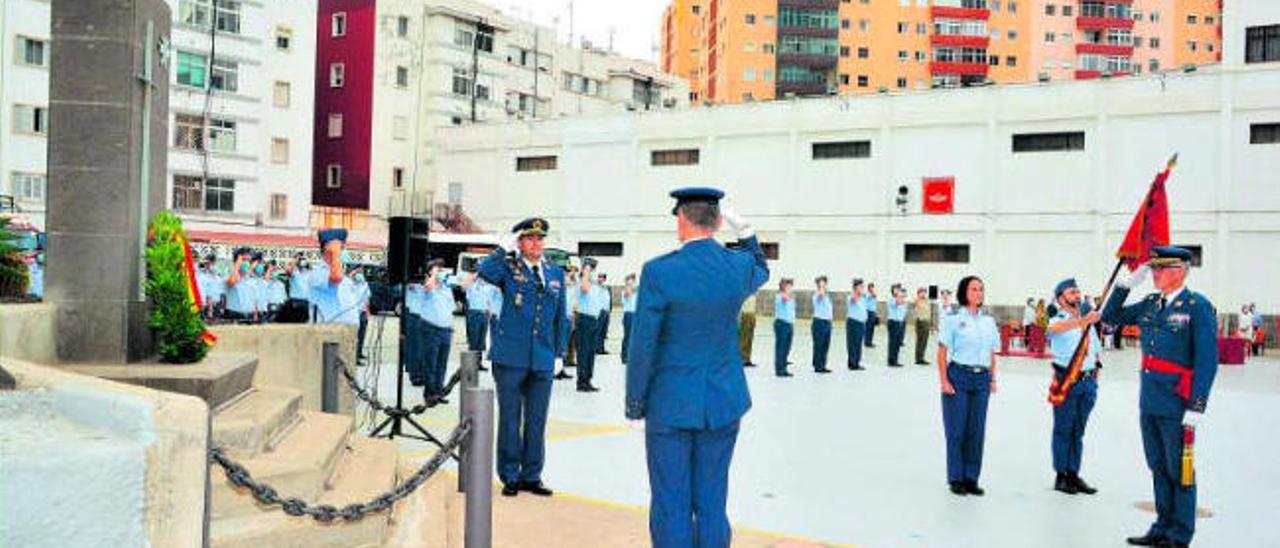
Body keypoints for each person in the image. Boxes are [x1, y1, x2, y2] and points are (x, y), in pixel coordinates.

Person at [625, 187, 768, 548]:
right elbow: (762, 268)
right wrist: (747, 232)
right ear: (719, 222)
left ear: (681, 220)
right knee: (712, 500)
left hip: (670, 405)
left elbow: (643, 344)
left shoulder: (659, 272)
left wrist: (635, 403)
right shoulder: (737, 266)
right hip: (722, 402)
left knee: (672, 502)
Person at [1103, 247, 1218, 548]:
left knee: (1180, 468)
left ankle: (1181, 533)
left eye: (1159, 269)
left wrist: (1197, 404)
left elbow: (1207, 360)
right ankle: (1163, 526)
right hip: (1151, 398)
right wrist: (1125, 286)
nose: (1153, 274)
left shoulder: (1197, 306)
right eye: (1152, 269)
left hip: (1178, 402)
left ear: (1178, 271)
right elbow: (1110, 317)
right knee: (1157, 465)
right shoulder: (1152, 303)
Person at [478, 217, 568, 498]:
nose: (536, 243)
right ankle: (510, 475)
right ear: (520, 242)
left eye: (540, 238)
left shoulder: (555, 273)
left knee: (537, 420)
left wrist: (559, 353)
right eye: (529, 238)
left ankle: (532, 475)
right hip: (511, 357)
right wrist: (502, 248)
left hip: (542, 357)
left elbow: (560, 317)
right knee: (509, 418)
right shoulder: (508, 268)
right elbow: (485, 271)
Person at [937, 275, 1001, 496]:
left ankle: (971, 478)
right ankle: (956, 478)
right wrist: (944, 380)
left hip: (981, 379)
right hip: (959, 376)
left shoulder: (988, 321)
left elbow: (992, 352)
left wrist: (993, 378)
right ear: (964, 292)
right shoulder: (953, 319)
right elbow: (942, 351)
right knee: (956, 430)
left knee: (976, 431)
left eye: (981, 289)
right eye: (974, 289)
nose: (978, 293)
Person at [1046, 278, 1102, 495]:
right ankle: (1061, 476)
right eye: (1071, 292)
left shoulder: (1087, 321)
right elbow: (1053, 330)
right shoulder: (1057, 320)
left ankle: (1073, 473)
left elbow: (1095, 350)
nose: (1077, 296)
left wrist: (1096, 376)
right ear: (1061, 299)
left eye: (1078, 292)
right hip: (1067, 382)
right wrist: (1083, 321)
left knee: (1078, 431)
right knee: (1063, 429)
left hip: (1087, 383)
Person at [413, 259, 458, 401]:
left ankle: (439, 392)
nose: (440, 271)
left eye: (441, 269)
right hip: (430, 328)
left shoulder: (446, 288)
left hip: (446, 329)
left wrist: (450, 325)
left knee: (442, 363)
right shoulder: (425, 285)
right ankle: (429, 393)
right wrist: (433, 275)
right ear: (430, 271)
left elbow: (451, 308)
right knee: (430, 362)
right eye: (437, 268)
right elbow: (428, 287)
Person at [309, 230, 363, 327]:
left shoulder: (345, 278)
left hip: (347, 332)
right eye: (341, 248)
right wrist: (335, 251)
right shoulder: (317, 272)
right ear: (327, 250)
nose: (343, 251)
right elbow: (336, 278)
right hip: (327, 332)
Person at [574, 258, 606, 392]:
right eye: (589, 268)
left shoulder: (592, 282)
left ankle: (587, 379)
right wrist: (586, 269)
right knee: (584, 351)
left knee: (591, 351)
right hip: (584, 319)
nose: (591, 270)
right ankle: (581, 381)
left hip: (593, 319)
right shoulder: (583, 281)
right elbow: (585, 288)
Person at [224, 248, 258, 323]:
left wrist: (255, 313)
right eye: (244, 260)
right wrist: (237, 265)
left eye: (248, 260)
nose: (247, 263)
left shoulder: (250, 279)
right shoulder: (230, 274)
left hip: (249, 314)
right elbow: (231, 282)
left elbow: (254, 297)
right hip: (234, 314)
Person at [463, 272, 491, 358]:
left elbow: (489, 301)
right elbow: (463, 287)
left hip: (484, 314)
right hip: (474, 314)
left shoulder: (488, 287)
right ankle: (472, 364)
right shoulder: (472, 286)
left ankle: (479, 363)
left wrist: (489, 312)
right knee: (474, 340)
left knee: (481, 341)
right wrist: (473, 276)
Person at [810, 275, 834, 374]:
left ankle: (823, 364)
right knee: (819, 345)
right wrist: (821, 287)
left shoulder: (827, 296)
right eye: (822, 283)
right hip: (819, 322)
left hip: (827, 322)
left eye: (825, 283)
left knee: (825, 345)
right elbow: (821, 295)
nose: (824, 285)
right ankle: (818, 366)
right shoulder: (816, 294)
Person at [773, 278, 796, 378]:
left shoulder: (791, 298)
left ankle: (784, 367)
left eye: (791, 286)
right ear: (783, 287)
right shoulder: (779, 296)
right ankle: (779, 370)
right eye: (788, 286)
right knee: (781, 348)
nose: (790, 288)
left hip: (789, 324)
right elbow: (784, 299)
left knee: (787, 347)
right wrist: (786, 291)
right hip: (781, 324)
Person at [846, 279, 867, 370]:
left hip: (861, 323)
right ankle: (852, 363)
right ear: (855, 287)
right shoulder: (851, 296)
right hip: (853, 322)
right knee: (852, 343)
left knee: (858, 343)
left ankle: (857, 362)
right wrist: (855, 291)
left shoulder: (863, 298)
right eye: (860, 286)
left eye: (862, 287)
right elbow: (853, 299)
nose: (862, 288)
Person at [352, 267, 372, 364]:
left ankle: (359, 353)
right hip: (354, 312)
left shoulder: (365, 284)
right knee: (355, 336)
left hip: (363, 312)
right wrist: (352, 275)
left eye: (361, 272)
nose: (360, 274)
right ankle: (354, 358)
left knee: (362, 335)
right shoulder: (350, 284)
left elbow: (367, 299)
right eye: (358, 271)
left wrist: (368, 313)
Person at [887, 286, 908, 367]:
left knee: (897, 343)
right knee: (893, 342)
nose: (898, 291)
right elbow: (898, 302)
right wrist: (900, 296)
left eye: (899, 289)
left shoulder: (902, 300)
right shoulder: (891, 299)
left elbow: (903, 310)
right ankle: (891, 361)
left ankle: (895, 360)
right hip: (893, 322)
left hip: (900, 322)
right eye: (896, 289)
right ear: (893, 291)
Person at [913, 287, 933, 365]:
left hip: (927, 322)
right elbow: (913, 304)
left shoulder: (927, 301)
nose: (924, 294)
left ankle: (921, 357)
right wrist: (918, 298)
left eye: (925, 292)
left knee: (924, 341)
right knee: (920, 341)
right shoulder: (916, 301)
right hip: (920, 322)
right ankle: (919, 358)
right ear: (918, 293)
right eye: (922, 292)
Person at [738, 292, 758, 368]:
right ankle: (741, 359)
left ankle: (747, 359)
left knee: (750, 338)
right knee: (744, 338)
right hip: (745, 315)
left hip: (752, 314)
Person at [621, 273, 638, 364]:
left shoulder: (637, 292)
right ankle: (625, 356)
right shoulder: (625, 291)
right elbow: (628, 293)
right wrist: (628, 284)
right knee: (627, 336)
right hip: (629, 315)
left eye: (633, 280)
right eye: (630, 279)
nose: (632, 282)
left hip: (636, 315)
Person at [596, 272, 612, 355]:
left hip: (606, 311)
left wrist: (609, 310)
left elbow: (609, 299)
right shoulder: (595, 287)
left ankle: (601, 348)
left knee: (603, 331)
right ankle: (596, 348)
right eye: (599, 277)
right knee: (598, 331)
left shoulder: (607, 287)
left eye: (602, 277)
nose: (600, 279)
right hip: (599, 311)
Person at [864, 283, 879, 347]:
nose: (872, 289)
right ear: (868, 288)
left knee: (872, 328)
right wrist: (872, 294)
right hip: (868, 312)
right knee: (868, 328)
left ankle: (870, 341)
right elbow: (870, 297)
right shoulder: (867, 295)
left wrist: (876, 313)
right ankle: (867, 342)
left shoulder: (874, 295)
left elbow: (874, 304)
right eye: (871, 287)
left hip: (873, 312)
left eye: (873, 287)